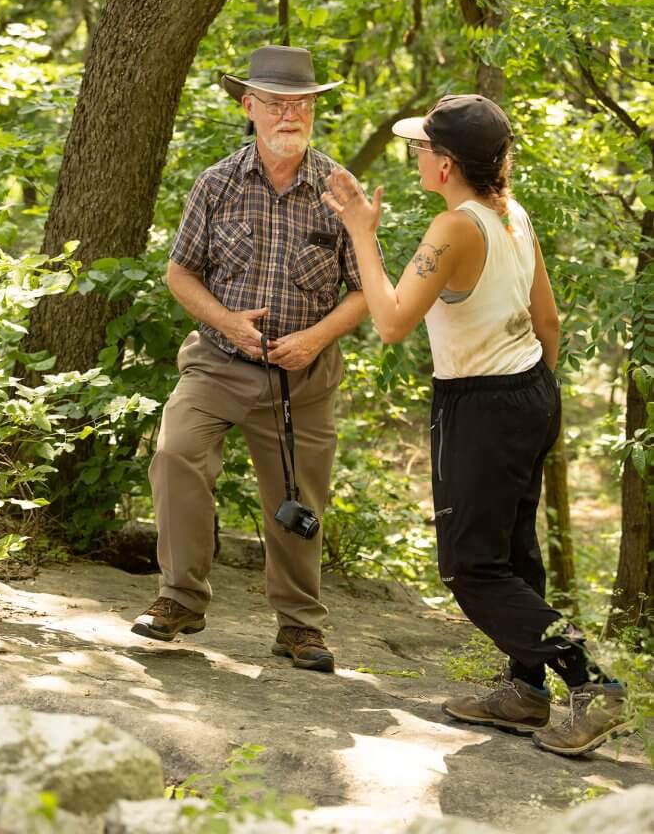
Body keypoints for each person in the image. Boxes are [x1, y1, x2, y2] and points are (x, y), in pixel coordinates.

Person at [322, 93, 631, 756]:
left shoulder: (453, 228)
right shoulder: (510, 215)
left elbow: (390, 320)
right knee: (514, 554)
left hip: (481, 406)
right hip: (528, 391)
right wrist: (535, 396)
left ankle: (591, 681)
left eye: (422, 147)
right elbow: (546, 320)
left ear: (445, 165)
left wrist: (361, 233)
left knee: (470, 566)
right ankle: (525, 691)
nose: (414, 155)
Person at [131, 45, 367, 673]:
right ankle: (179, 599)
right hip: (218, 361)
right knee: (175, 452)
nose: (291, 113)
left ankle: (298, 627)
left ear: (314, 109)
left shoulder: (340, 191)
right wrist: (228, 323)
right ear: (249, 107)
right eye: (276, 102)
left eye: (302, 103)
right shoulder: (217, 183)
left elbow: (368, 289)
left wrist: (315, 339)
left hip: (305, 375)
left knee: (298, 498)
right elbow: (180, 274)